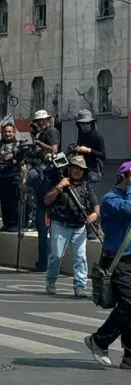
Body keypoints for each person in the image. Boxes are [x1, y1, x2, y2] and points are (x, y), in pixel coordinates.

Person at [85, 161, 131, 370]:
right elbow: (128, 209)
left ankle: (128, 356)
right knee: (128, 305)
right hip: (117, 260)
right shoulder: (111, 199)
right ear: (123, 177)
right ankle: (100, 340)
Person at [43, 154, 100, 298]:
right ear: (69, 168)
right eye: (75, 167)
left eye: (81, 169)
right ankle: (51, 280)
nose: (77, 171)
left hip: (79, 227)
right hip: (60, 225)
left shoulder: (86, 186)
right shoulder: (58, 182)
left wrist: (95, 214)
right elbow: (47, 200)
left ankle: (80, 286)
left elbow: (96, 204)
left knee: (81, 257)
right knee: (56, 255)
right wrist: (59, 186)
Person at [0, 122, 21, 232]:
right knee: (3, 202)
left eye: (10, 131)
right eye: (5, 131)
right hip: (0, 178)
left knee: (13, 203)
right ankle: (5, 224)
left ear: (14, 133)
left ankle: (14, 225)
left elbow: (24, 156)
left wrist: (13, 156)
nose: (7, 134)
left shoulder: (19, 145)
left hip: (13, 177)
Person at [73, 109, 106, 183]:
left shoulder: (97, 136)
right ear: (79, 124)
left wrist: (88, 150)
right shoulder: (80, 132)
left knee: (89, 191)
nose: (86, 126)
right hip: (81, 167)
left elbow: (103, 155)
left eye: (88, 123)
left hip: (93, 169)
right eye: (83, 124)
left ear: (91, 123)